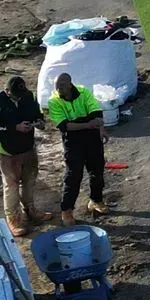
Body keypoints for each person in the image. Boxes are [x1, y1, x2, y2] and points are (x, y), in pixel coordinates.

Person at [46, 72, 108, 224]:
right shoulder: (54, 101)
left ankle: (96, 200)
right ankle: (66, 210)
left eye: (61, 86)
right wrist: (88, 124)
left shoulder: (83, 92)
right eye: (56, 87)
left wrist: (100, 127)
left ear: (69, 84)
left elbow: (96, 112)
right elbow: (64, 126)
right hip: (73, 141)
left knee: (97, 170)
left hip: (92, 137)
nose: (58, 89)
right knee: (73, 175)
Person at [0, 74, 43, 234]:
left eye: (21, 95)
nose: (19, 98)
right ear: (7, 91)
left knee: (30, 180)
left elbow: (37, 114)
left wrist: (39, 122)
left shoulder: (28, 96)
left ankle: (31, 211)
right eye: (16, 95)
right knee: (11, 185)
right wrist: (14, 127)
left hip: (27, 147)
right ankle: (14, 220)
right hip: (6, 152)